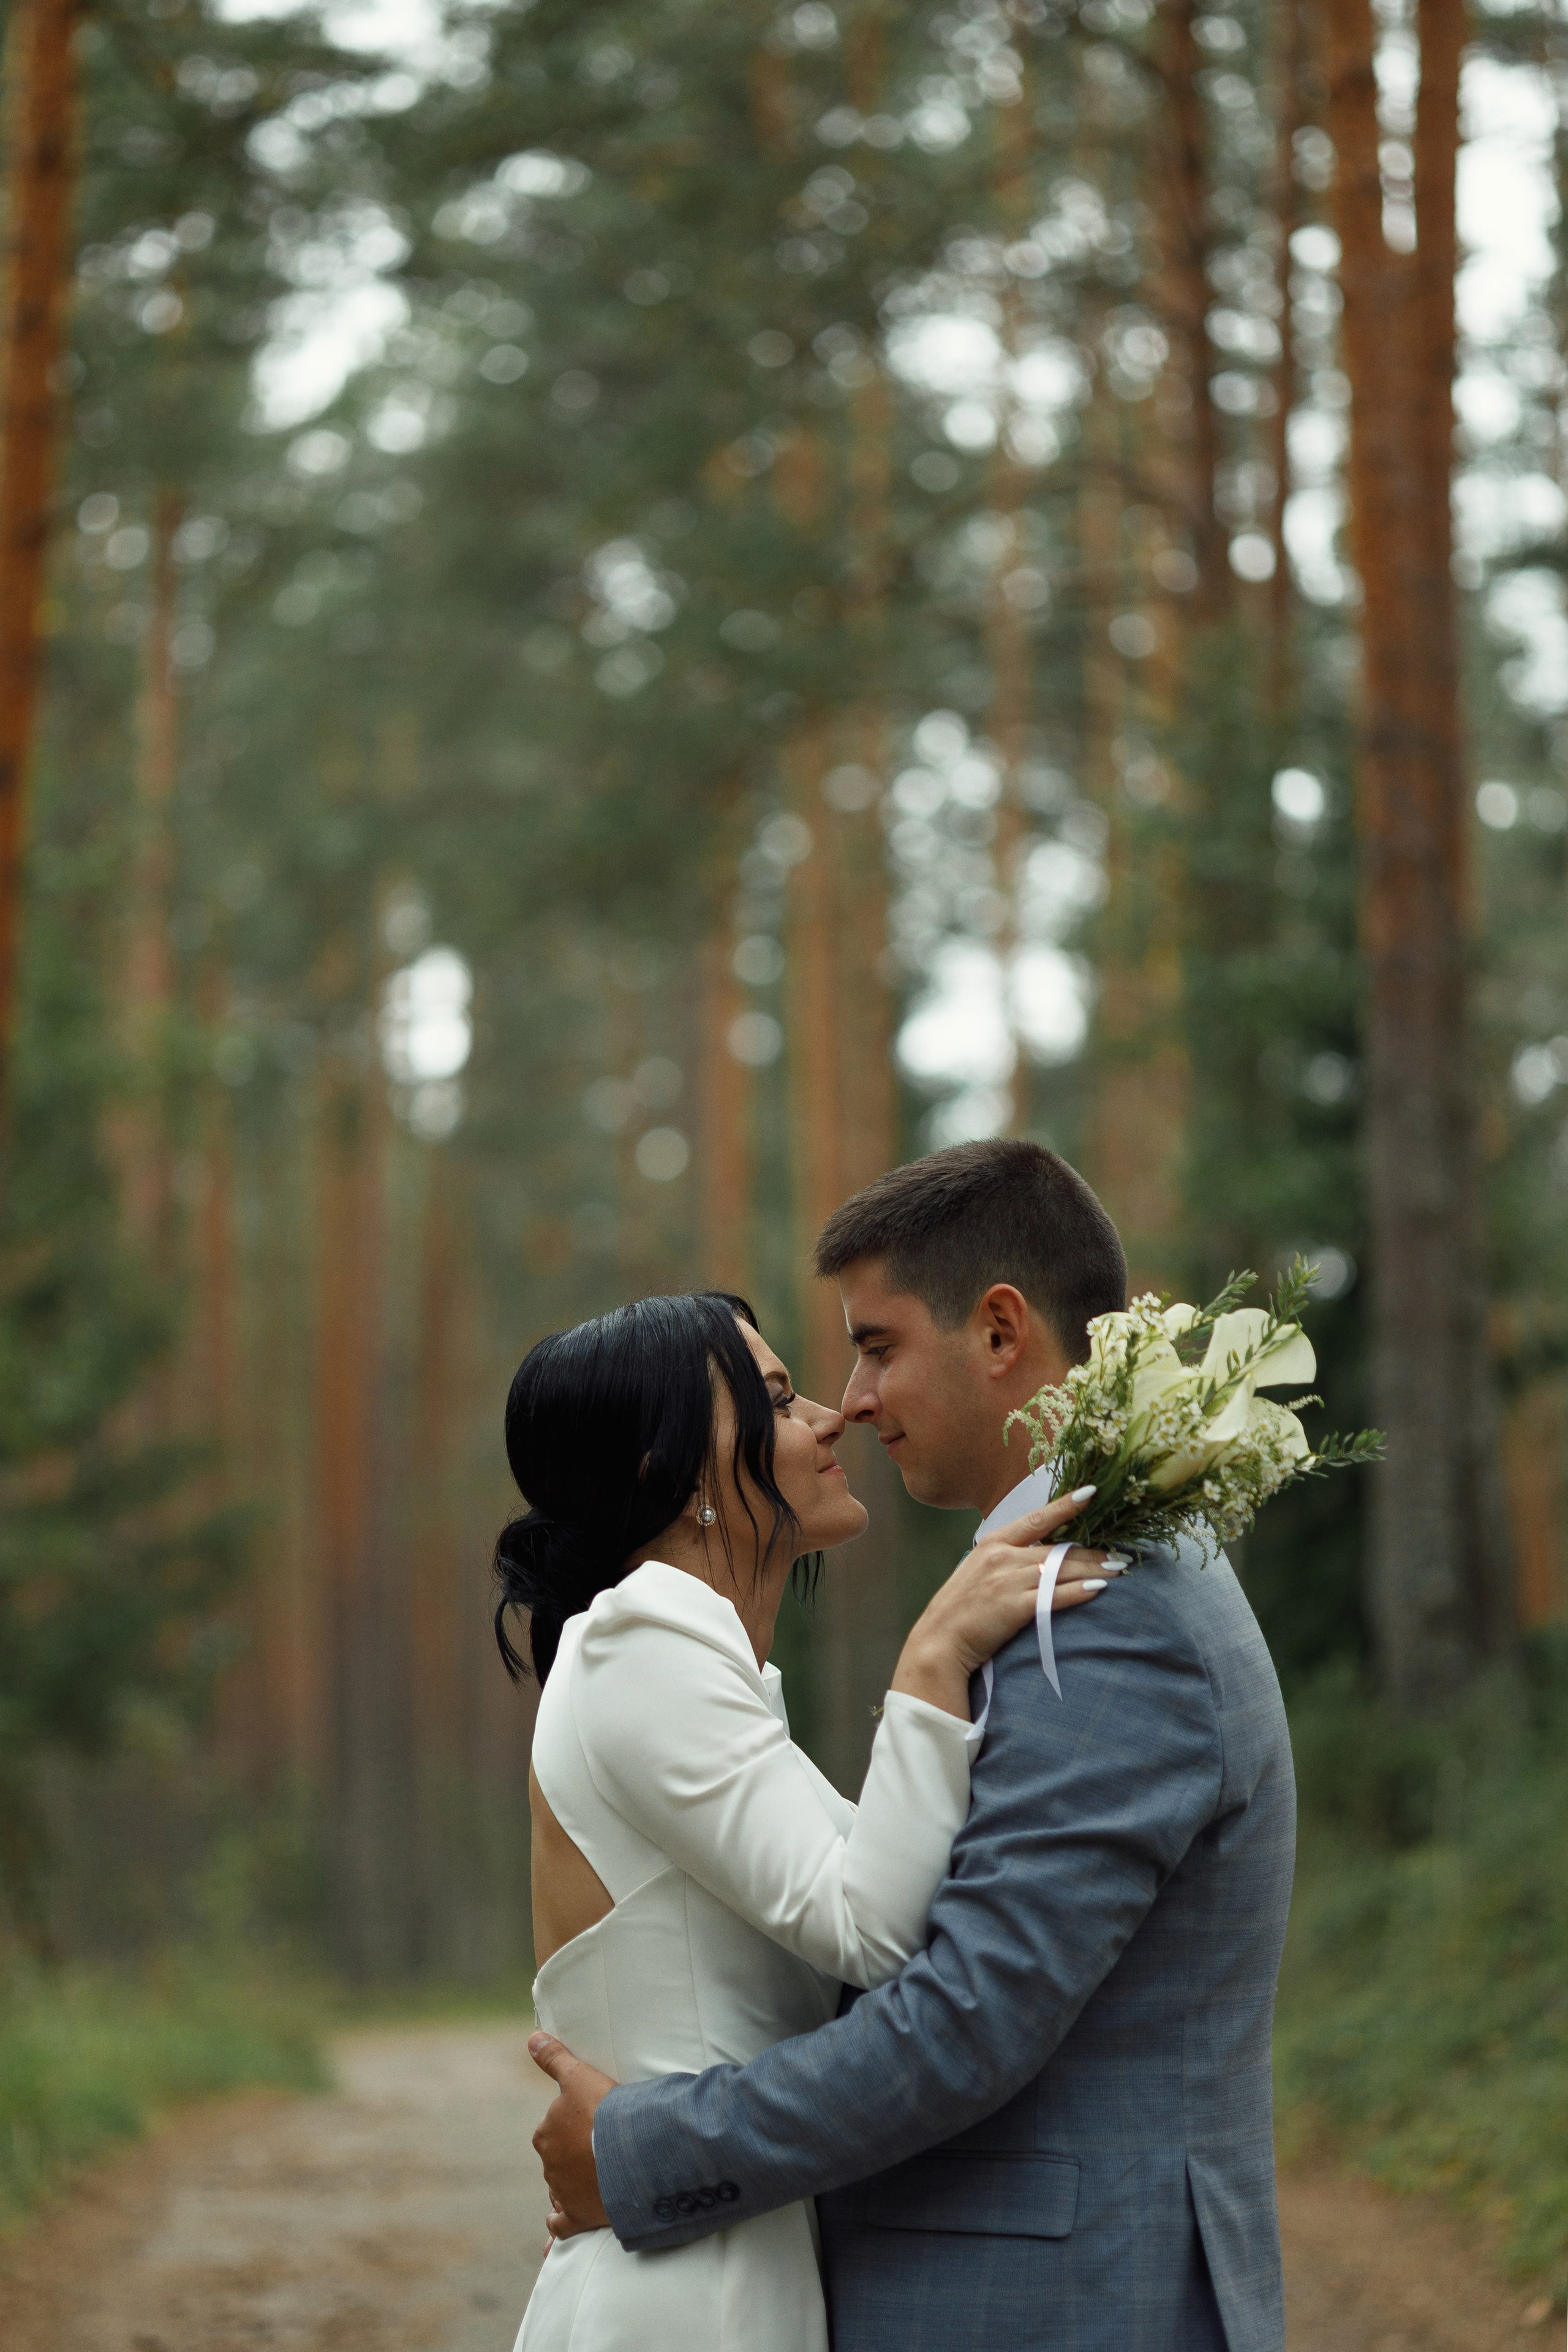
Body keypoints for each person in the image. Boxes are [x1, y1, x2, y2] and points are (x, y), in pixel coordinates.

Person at [529, 1139, 1298, 2352]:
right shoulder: (1062, 1586)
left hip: (1061, 2309)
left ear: (998, 1331)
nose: (851, 1401)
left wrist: (644, 2149)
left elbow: (963, 2018)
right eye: (803, 1383)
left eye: (875, 1346)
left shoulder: (1110, 1608)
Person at [497, 1284, 1113, 2352]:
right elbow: (869, 1930)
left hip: (718, 2253)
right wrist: (933, 1659)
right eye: (778, 1401)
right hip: (692, 2293)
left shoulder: (688, 1665)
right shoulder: (641, 1643)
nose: (831, 1418)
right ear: (665, 1469)